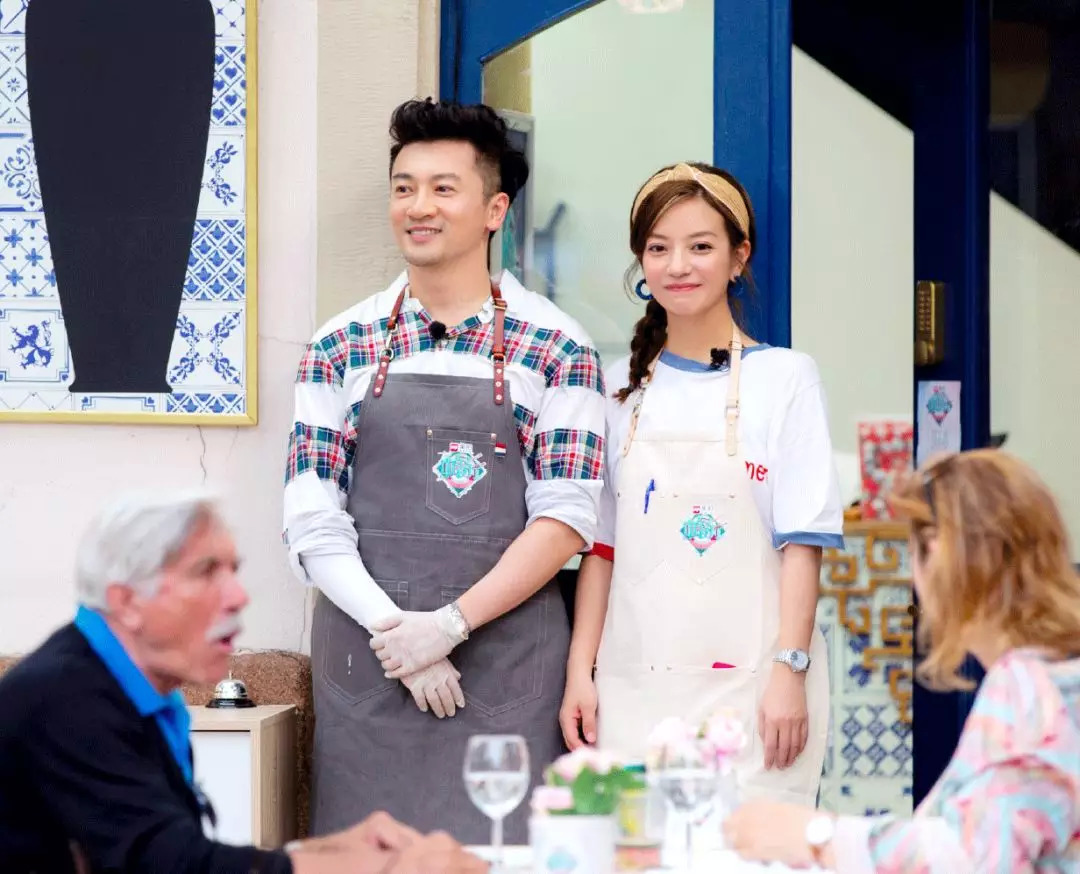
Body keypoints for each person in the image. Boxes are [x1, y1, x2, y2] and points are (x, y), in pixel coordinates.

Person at [283, 98, 606, 841]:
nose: (418, 206)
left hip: (506, 676)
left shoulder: (557, 346)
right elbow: (310, 517)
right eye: (404, 188)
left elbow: (566, 519)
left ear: (494, 210)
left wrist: (451, 625)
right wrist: (399, 636)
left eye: (442, 188)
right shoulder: (339, 344)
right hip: (368, 671)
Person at [0, 490, 487, 874]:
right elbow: (167, 866)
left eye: (233, 571)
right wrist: (369, 867)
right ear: (126, 602)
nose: (237, 596)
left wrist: (336, 850)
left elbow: (173, 847)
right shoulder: (63, 700)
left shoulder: (140, 693)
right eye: (205, 573)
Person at [558, 162, 843, 807]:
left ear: (739, 258)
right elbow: (601, 548)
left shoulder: (786, 379)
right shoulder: (616, 387)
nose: (678, 266)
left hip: (755, 694)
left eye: (701, 246)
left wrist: (790, 672)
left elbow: (802, 545)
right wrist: (581, 672)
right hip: (633, 689)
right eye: (659, 248)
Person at [724, 449, 1080, 871]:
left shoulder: (1025, 688)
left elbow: (971, 855)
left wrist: (812, 835)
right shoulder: (1056, 676)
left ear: (937, 552)